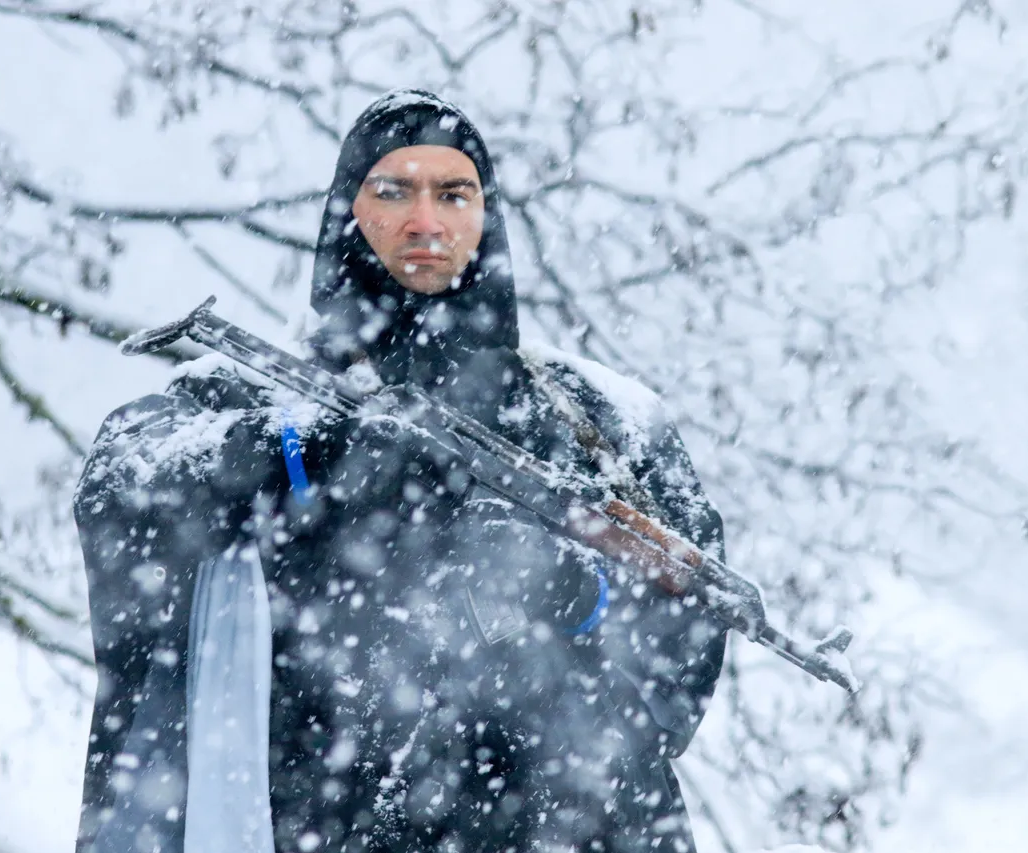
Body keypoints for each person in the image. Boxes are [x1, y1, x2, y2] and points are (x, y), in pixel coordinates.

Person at [73, 89, 728, 853]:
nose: (426, 221)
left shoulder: (595, 420)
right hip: (303, 819)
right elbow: (123, 488)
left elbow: (692, 625)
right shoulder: (249, 393)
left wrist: (579, 593)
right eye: (393, 190)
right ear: (349, 212)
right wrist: (298, 453)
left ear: (486, 215)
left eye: (454, 193)